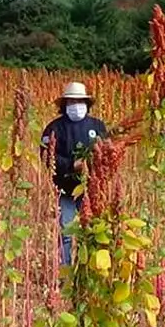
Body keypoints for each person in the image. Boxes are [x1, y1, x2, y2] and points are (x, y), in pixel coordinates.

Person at [39, 82, 108, 267]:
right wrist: (72, 165)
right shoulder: (54, 128)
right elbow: (46, 156)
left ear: (86, 103)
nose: (76, 105)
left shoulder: (98, 126)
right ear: (65, 104)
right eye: (71, 101)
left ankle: (90, 271)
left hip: (91, 189)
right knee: (67, 233)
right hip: (65, 190)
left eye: (79, 101)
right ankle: (65, 273)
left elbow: (108, 154)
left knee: (94, 232)